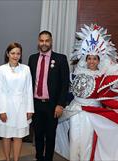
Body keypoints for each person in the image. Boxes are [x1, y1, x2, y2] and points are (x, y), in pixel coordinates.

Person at [57, 24, 118, 161]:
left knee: (87, 143)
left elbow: (105, 98)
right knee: (74, 140)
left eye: (94, 58)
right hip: (75, 111)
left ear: (99, 61)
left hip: (92, 114)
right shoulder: (76, 74)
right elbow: (70, 94)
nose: (91, 61)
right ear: (85, 59)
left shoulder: (100, 78)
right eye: (89, 58)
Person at [28, 31, 70, 161]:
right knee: (38, 134)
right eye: (42, 40)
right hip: (36, 103)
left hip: (53, 105)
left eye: (47, 40)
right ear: (38, 42)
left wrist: (60, 104)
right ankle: (39, 157)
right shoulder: (32, 58)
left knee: (50, 135)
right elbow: (29, 83)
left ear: (51, 42)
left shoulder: (60, 58)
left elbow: (65, 84)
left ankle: (48, 159)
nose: (44, 43)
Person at [0, 42, 34, 161]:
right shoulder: (1, 69)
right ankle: (7, 159)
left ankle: (16, 159)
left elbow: (29, 90)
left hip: (22, 107)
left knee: (18, 136)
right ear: (8, 54)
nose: (15, 56)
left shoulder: (26, 69)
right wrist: (2, 110)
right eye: (13, 53)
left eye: (18, 53)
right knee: (6, 136)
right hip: (6, 107)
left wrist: (30, 109)